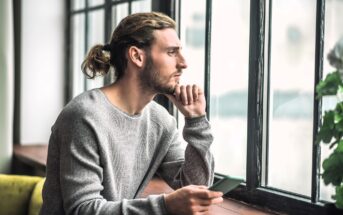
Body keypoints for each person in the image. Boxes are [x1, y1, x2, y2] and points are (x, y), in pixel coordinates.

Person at [40, 12, 223, 215]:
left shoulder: (161, 122)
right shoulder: (84, 116)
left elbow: (195, 187)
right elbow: (82, 210)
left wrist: (196, 121)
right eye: (172, 52)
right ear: (137, 56)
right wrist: (165, 206)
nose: (183, 63)